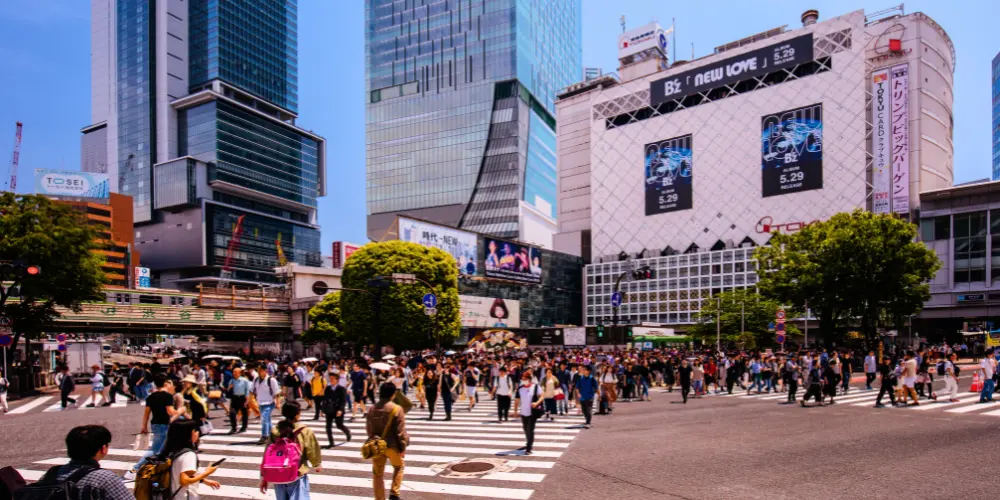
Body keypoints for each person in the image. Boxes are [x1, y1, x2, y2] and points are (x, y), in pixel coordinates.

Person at [260, 403, 322, 499]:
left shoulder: (275, 430)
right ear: (297, 414)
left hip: (278, 475)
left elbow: (267, 454)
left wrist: (264, 476)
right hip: (296, 474)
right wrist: (317, 464)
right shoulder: (304, 430)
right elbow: (312, 449)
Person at [125, 373, 181, 480]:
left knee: (163, 449)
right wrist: (180, 411)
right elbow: (170, 412)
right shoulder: (167, 396)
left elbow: (146, 413)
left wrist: (144, 426)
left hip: (155, 424)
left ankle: (160, 470)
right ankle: (134, 470)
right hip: (163, 425)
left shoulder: (151, 396)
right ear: (165, 383)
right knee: (155, 450)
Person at [366, 382, 409, 500]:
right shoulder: (396, 409)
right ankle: (394, 493)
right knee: (399, 466)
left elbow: (369, 429)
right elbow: (400, 432)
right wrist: (403, 447)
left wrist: (373, 440)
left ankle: (379, 498)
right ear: (393, 394)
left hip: (377, 446)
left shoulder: (372, 409)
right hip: (393, 445)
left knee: (377, 474)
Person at [158, 419, 221, 499]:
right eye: (195, 430)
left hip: (171, 495)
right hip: (184, 497)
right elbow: (184, 481)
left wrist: (204, 480)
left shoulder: (170, 451)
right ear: (188, 434)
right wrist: (207, 472)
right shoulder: (188, 455)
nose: (198, 433)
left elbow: (179, 473)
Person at [514, 371, 544, 456]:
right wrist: (515, 411)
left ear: (529, 379)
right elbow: (517, 401)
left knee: (530, 429)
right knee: (525, 429)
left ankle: (529, 447)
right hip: (523, 412)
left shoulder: (535, 387)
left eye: (525, 379)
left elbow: (542, 396)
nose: (523, 380)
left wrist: (536, 403)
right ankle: (528, 442)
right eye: (522, 379)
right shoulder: (520, 389)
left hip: (532, 412)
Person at [252, 365, 281, 445]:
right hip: (260, 402)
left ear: (265, 371)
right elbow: (252, 390)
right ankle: (274, 434)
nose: (259, 372)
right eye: (258, 370)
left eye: (260, 370)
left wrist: (278, 403)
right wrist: (248, 401)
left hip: (269, 402)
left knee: (264, 419)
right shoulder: (256, 380)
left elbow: (277, 393)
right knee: (267, 420)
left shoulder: (271, 380)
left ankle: (264, 436)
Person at [322, 372, 351, 449]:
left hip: (338, 410)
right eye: (330, 378)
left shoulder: (342, 389)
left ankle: (347, 433)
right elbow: (325, 399)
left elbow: (343, 401)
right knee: (328, 427)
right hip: (329, 410)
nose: (331, 380)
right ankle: (331, 443)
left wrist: (340, 410)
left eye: (332, 378)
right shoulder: (328, 388)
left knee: (339, 425)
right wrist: (322, 409)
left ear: (337, 380)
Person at [227, 367, 250, 435]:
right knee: (232, 413)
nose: (234, 373)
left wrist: (247, 399)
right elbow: (228, 390)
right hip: (235, 398)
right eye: (233, 372)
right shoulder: (232, 381)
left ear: (240, 373)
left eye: (235, 372)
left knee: (244, 413)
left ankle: (244, 426)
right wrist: (229, 388)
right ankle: (234, 427)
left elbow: (247, 390)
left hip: (242, 398)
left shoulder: (245, 380)